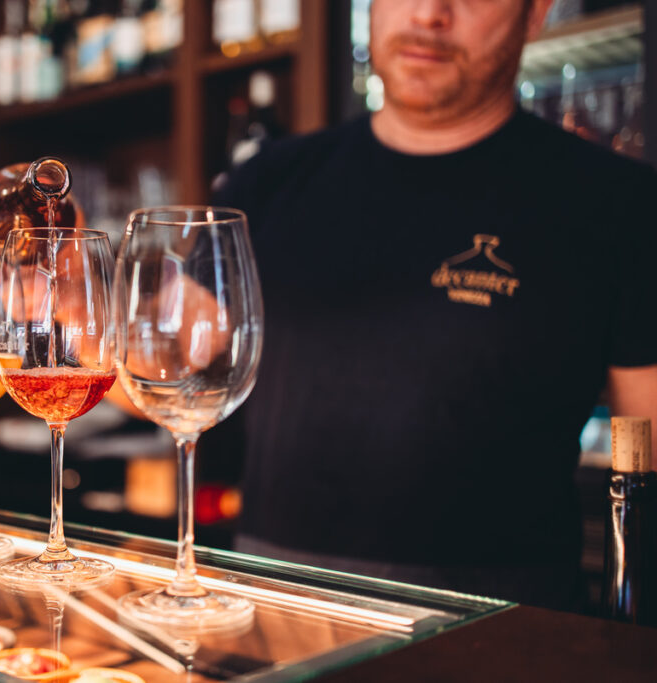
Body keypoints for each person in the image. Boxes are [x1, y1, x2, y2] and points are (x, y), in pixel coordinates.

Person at [213, 0, 657, 611]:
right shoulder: (265, 184)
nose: (429, 13)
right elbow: (170, 366)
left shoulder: (621, 206)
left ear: (535, 16)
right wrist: (66, 282)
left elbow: (649, 459)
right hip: (272, 612)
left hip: (503, 633)